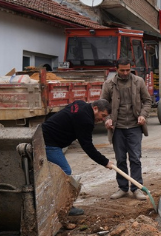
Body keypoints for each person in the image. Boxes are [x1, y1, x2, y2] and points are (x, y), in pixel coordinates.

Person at [41, 99, 114, 215]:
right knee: (65, 172)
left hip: (45, 136)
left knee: (52, 173)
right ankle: (64, 206)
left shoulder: (80, 104)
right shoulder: (86, 120)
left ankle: (50, 202)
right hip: (49, 142)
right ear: (95, 109)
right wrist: (105, 162)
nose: (103, 119)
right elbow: (87, 147)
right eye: (103, 115)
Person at [101, 57, 152, 200]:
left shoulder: (138, 82)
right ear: (116, 69)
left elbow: (147, 101)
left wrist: (143, 115)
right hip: (117, 128)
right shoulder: (109, 84)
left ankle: (137, 188)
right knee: (121, 159)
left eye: (128, 70)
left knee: (135, 158)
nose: (125, 73)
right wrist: (107, 118)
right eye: (122, 70)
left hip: (135, 127)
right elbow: (102, 104)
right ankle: (123, 188)